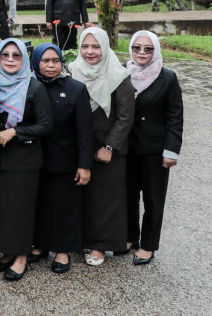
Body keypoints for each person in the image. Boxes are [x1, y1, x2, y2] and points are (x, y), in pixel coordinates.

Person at [67, 28, 135, 267]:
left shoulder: (119, 76)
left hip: (108, 147)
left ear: (105, 47)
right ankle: (78, 240)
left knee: (105, 198)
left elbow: (126, 117)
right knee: (80, 194)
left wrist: (109, 147)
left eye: (96, 47)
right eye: (85, 46)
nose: (90, 52)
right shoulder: (72, 71)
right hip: (79, 143)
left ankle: (99, 246)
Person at [0, 38, 53, 282]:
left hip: (24, 157)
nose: (10, 60)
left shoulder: (34, 87)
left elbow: (46, 125)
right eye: (5, 55)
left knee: (21, 209)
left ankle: (22, 256)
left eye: (16, 56)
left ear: (24, 59)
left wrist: (14, 131)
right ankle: (8, 250)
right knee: (2, 209)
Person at [29, 43, 92, 274]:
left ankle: (63, 251)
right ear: (36, 62)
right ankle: (41, 244)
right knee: (41, 204)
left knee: (65, 206)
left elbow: (85, 132)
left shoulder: (76, 89)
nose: (51, 65)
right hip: (35, 158)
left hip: (65, 159)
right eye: (45, 61)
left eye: (55, 60)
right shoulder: (29, 86)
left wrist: (84, 165)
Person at [124, 31, 184, 266]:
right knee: (127, 196)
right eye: (137, 47)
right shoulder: (122, 72)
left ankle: (148, 244)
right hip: (127, 147)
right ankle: (129, 236)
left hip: (155, 149)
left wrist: (171, 150)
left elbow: (175, 116)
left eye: (148, 49)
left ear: (156, 50)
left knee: (153, 198)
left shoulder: (167, 77)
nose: (141, 53)